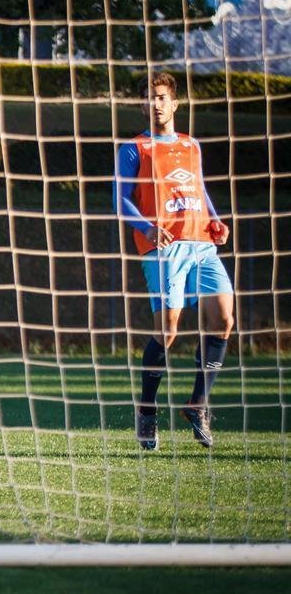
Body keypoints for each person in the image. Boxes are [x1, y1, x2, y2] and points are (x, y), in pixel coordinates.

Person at [114, 72, 234, 451]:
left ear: (175, 103)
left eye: (162, 97)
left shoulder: (191, 145)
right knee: (167, 330)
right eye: (150, 97)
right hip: (162, 248)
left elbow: (198, 188)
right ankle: (147, 411)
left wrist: (214, 218)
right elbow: (120, 199)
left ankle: (197, 405)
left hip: (200, 243)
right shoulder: (136, 148)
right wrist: (146, 228)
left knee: (224, 319)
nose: (156, 103)